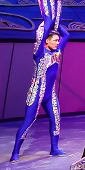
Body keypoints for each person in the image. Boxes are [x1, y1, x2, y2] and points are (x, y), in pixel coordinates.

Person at [10, 25, 69, 162]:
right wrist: (49, 22)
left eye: (58, 40)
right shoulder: (39, 53)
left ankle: (54, 148)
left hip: (50, 93)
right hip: (36, 92)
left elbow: (66, 35)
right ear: (47, 41)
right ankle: (15, 152)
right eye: (55, 40)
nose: (57, 42)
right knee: (28, 121)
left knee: (56, 119)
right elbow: (41, 36)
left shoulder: (57, 51)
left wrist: (56, 24)